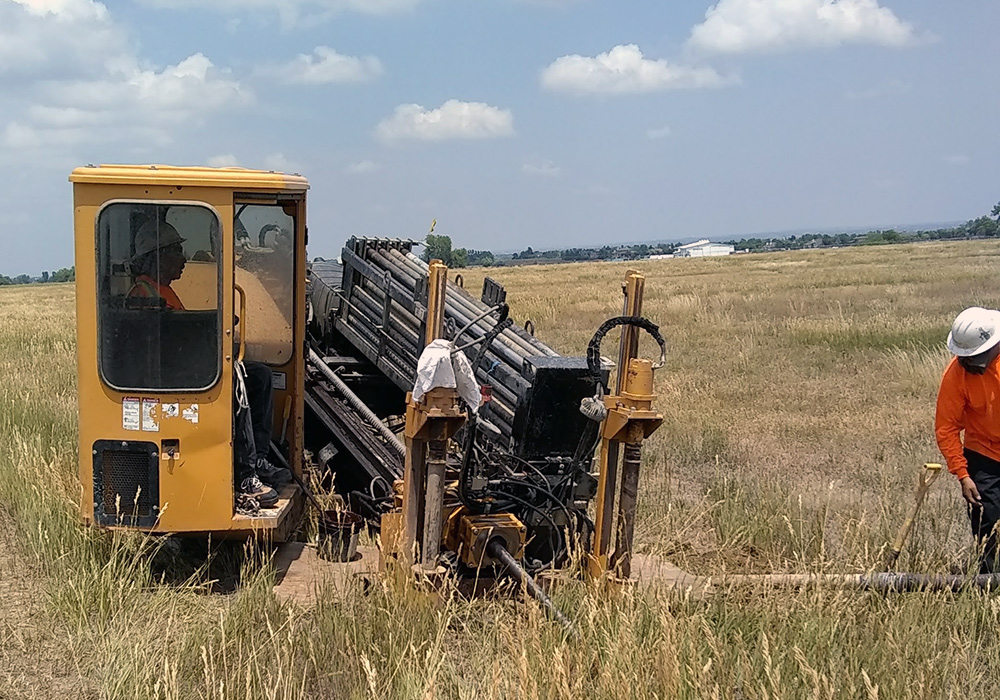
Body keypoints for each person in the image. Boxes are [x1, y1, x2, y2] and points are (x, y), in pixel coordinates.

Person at [127, 219, 291, 508]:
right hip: (173, 379)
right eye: (177, 250)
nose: (184, 259)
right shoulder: (144, 295)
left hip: (184, 369)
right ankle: (245, 476)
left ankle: (259, 459)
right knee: (237, 382)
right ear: (158, 255)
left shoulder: (161, 290)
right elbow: (168, 339)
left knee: (260, 375)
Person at [935, 306, 1000, 573]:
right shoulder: (956, 374)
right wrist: (963, 474)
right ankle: (986, 580)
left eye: (975, 357)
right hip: (983, 451)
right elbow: (946, 427)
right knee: (986, 516)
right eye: (964, 357)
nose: (968, 363)